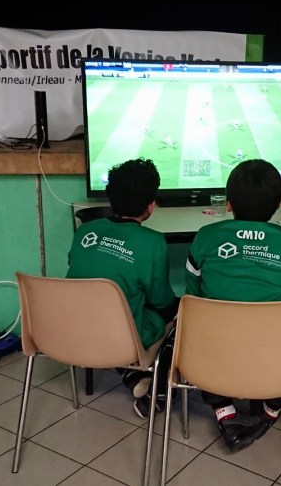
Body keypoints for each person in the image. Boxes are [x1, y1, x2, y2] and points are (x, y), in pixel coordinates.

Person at [185, 159, 281, 453]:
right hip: (271, 352)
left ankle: (222, 408)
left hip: (214, 352)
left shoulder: (205, 237)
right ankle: (271, 407)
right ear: (279, 203)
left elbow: (192, 300)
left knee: (192, 321)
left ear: (228, 203)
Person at [67, 158, 179, 417]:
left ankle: (131, 374)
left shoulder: (85, 231)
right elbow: (161, 300)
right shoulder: (153, 242)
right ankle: (159, 393)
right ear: (150, 206)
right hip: (121, 338)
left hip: (71, 331)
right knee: (181, 309)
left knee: (126, 305)